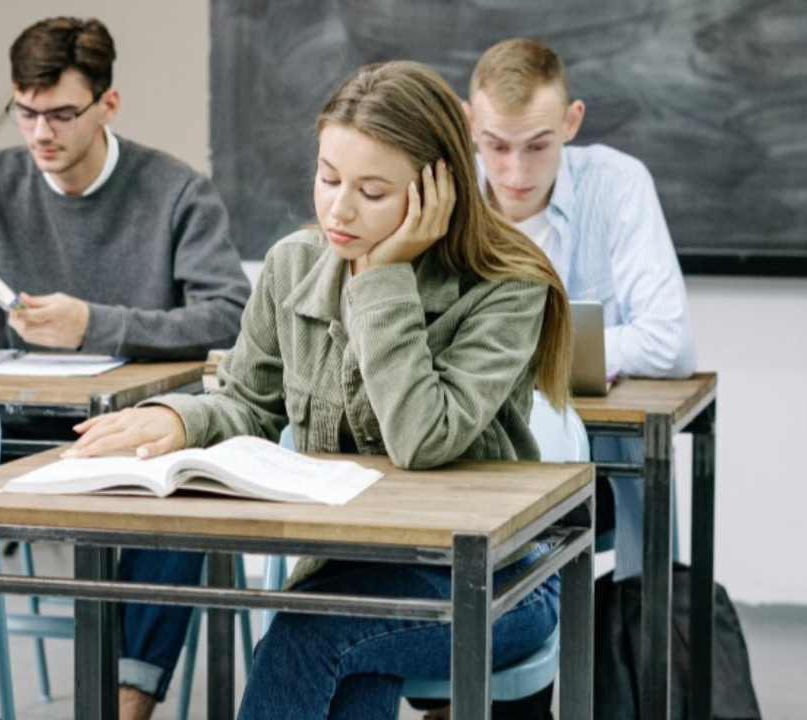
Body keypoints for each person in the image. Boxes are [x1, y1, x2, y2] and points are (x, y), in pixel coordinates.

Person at [65, 60, 574, 720]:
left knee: (313, 634)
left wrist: (383, 279)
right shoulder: (293, 264)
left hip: (499, 580)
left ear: (436, 189)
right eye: (328, 178)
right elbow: (248, 401)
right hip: (351, 571)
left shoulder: (506, 284)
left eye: (371, 190)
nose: (338, 208)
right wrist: (179, 420)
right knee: (339, 643)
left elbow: (424, 439)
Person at [0, 17, 251, 719]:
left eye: (62, 114)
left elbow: (230, 313)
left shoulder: (174, 190)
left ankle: (127, 699)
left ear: (109, 104)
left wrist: (94, 325)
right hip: (24, 428)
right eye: (25, 112)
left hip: (142, 427)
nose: (41, 133)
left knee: (175, 485)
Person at [464, 37, 697, 585]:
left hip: (590, 454)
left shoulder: (618, 185)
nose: (515, 171)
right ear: (470, 123)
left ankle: (635, 639)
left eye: (538, 146)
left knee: (629, 446)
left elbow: (670, 342)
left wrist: (530, 352)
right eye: (496, 146)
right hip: (473, 442)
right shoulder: (449, 192)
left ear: (572, 122)